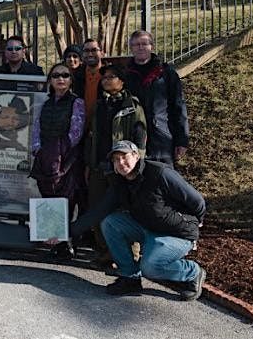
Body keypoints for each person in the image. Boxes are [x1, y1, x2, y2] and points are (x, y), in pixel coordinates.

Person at [69, 140, 206, 301]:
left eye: (124, 156)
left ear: (136, 156)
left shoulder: (160, 173)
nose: (120, 162)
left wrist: (197, 222)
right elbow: (98, 212)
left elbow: (197, 201)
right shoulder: (120, 182)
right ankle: (130, 278)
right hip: (148, 228)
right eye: (115, 159)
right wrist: (66, 233)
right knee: (110, 222)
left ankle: (192, 272)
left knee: (149, 267)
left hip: (176, 233)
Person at [86, 64, 147, 265]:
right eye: (104, 78)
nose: (107, 80)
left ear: (121, 81)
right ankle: (105, 251)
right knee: (97, 208)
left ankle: (129, 255)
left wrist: (136, 164)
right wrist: (90, 162)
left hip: (122, 167)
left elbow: (140, 136)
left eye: (112, 77)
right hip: (99, 165)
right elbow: (92, 136)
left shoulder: (132, 106)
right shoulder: (99, 105)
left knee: (123, 209)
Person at [30, 63, 86, 258]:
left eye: (65, 75)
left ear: (71, 80)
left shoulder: (76, 102)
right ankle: (52, 239)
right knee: (49, 195)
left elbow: (76, 132)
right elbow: (37, 127)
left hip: (66, 158)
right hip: (46, 157)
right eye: (56, 75)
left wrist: (60, 151)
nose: (60, 79)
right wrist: (37, 149)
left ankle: (66, 241)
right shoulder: (46, 103)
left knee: (67, 198)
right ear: (50, 80)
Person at [125, 30, 190, 165]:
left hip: (162, 137)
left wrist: (182, 140)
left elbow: (178, 105)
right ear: (131, 48)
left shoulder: (166, 73)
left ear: (152, 47)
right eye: (136, 45)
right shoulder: (125, 75)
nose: (141, 47)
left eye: (144, 43)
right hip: (133, 137)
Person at [81, 38, 105, 125]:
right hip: (81, 126)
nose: (90, 54)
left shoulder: (110, 76)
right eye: (86, 51)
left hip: (102, 125)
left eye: (94, 50)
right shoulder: (77, 76)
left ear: (102, 53)